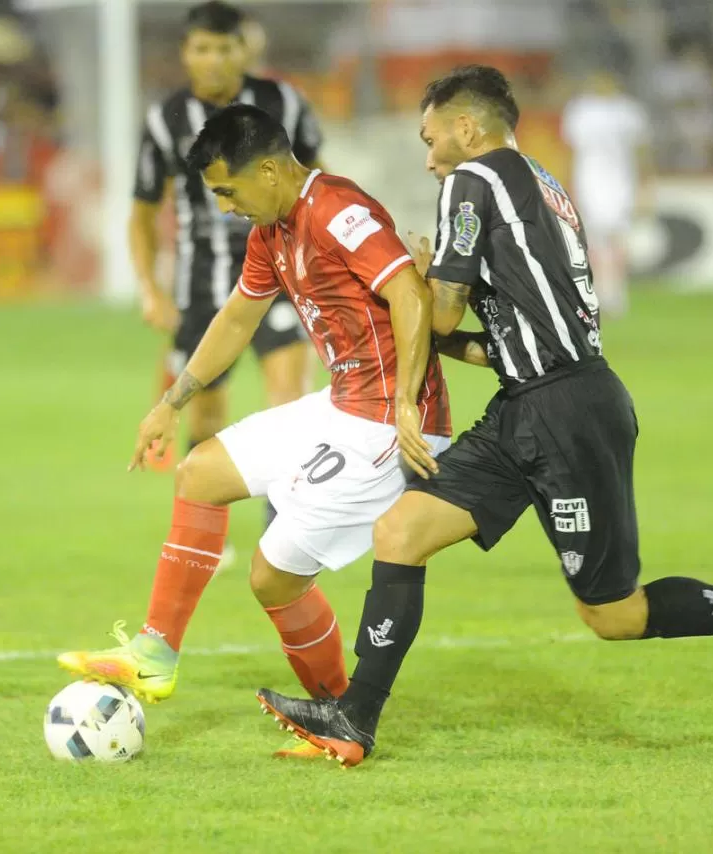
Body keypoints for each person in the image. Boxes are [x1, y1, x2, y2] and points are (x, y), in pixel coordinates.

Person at [255, 66, 713, 767]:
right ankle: (353, 724)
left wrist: (412, 280)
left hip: (566, 410)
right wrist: (431, 316)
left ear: (468, 128)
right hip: (532, 401)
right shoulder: (543, 186)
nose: (430, 159)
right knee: (400, 530)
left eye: (432, 140)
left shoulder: (476, 179)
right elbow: (500, 342)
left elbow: (442, 310)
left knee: (611, 614)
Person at [58, 106, 452, 756]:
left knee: (272, 577)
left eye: (228, 191)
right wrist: (173, 402)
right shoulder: (272, 231)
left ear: (269, 170)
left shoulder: (336, 209)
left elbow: (409, 293)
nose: (225, 206)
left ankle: (338, 718)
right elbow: (238, 319)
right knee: (200, 473)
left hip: (390, 420)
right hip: (344, 403)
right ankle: (157, 655)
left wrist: (408, 404)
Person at [131, 2, 319, 516]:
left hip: (282, 273)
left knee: (289, 397)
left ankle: (280, 532)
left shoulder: (285, 102)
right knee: (205, 417)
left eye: (224, 47)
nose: (213, 59)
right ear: (186, 53)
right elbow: (142, 214)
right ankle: (203, 540)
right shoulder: (164, 119)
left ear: (245, 48)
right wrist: (150, 289)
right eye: (202, 48)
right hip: (202, 281)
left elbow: (314, 182)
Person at [562, 72, 651, 317]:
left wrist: (645, 185)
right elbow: (571, 151)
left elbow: (642, 151)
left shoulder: (629, 111)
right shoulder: (580, 110)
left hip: (621, 181)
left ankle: (617, 293)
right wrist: (569, 185)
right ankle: (599, 291)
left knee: (618, 237)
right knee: (594, 239)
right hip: (590, 180)